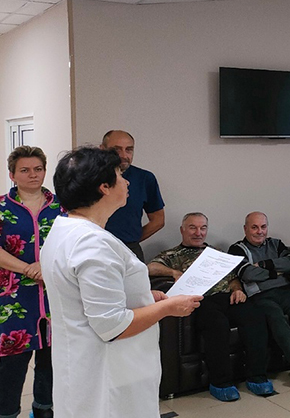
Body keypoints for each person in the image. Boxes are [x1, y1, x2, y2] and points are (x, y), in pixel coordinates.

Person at [40, 147, 200, 418]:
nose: (126, 183)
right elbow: (112, 326)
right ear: (104, 187)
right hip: (108, 371)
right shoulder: (93, 244)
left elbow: (85, 296)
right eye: (119, 175)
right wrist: (168, 308)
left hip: (82, 362)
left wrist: (145, 297)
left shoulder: (65, 230)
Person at [148, 213, 275, 402]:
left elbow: (232, 277)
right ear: (182, 230)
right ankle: (221, 383)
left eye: (203, 228)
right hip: (201, 300)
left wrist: (237, 289)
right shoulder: (172, 254)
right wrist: (173, 272)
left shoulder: (216, 253)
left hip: (226, 297)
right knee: (217, 324)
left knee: (255, 316)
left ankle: (257, 377)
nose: (198, 233)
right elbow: (150, 267)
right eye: (193, 228)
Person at [0, 147, 64, 418]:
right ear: (12, 175)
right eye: (24, 170)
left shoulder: (62, 207)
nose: (33, 175)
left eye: (38, 169)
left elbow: (71, 244)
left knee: (51, 361)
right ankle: (7, 412)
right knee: (12, 365)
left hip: (55, 295)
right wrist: (28, 268)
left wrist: (46, 265)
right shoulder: (2, 208)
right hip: (13, 298)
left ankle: (43, 409)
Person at [227, 212, 290, 387]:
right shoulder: (237, 249)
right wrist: (277, 271)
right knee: (276, 318)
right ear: (245, 229)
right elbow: (247, 273)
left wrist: (264, 265)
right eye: (254, 227)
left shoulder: (276, 244)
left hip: (285, 291)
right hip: (259, 295)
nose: (259, 231)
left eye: (263, 227)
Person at [101, 130, 164, 262]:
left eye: (129, 150)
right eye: (116, 150)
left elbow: (158, 220)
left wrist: (132, 240)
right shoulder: (88, 178)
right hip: (97, 248)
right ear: (102, 149)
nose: (123, 155)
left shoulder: (144, 178)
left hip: (130, 250)